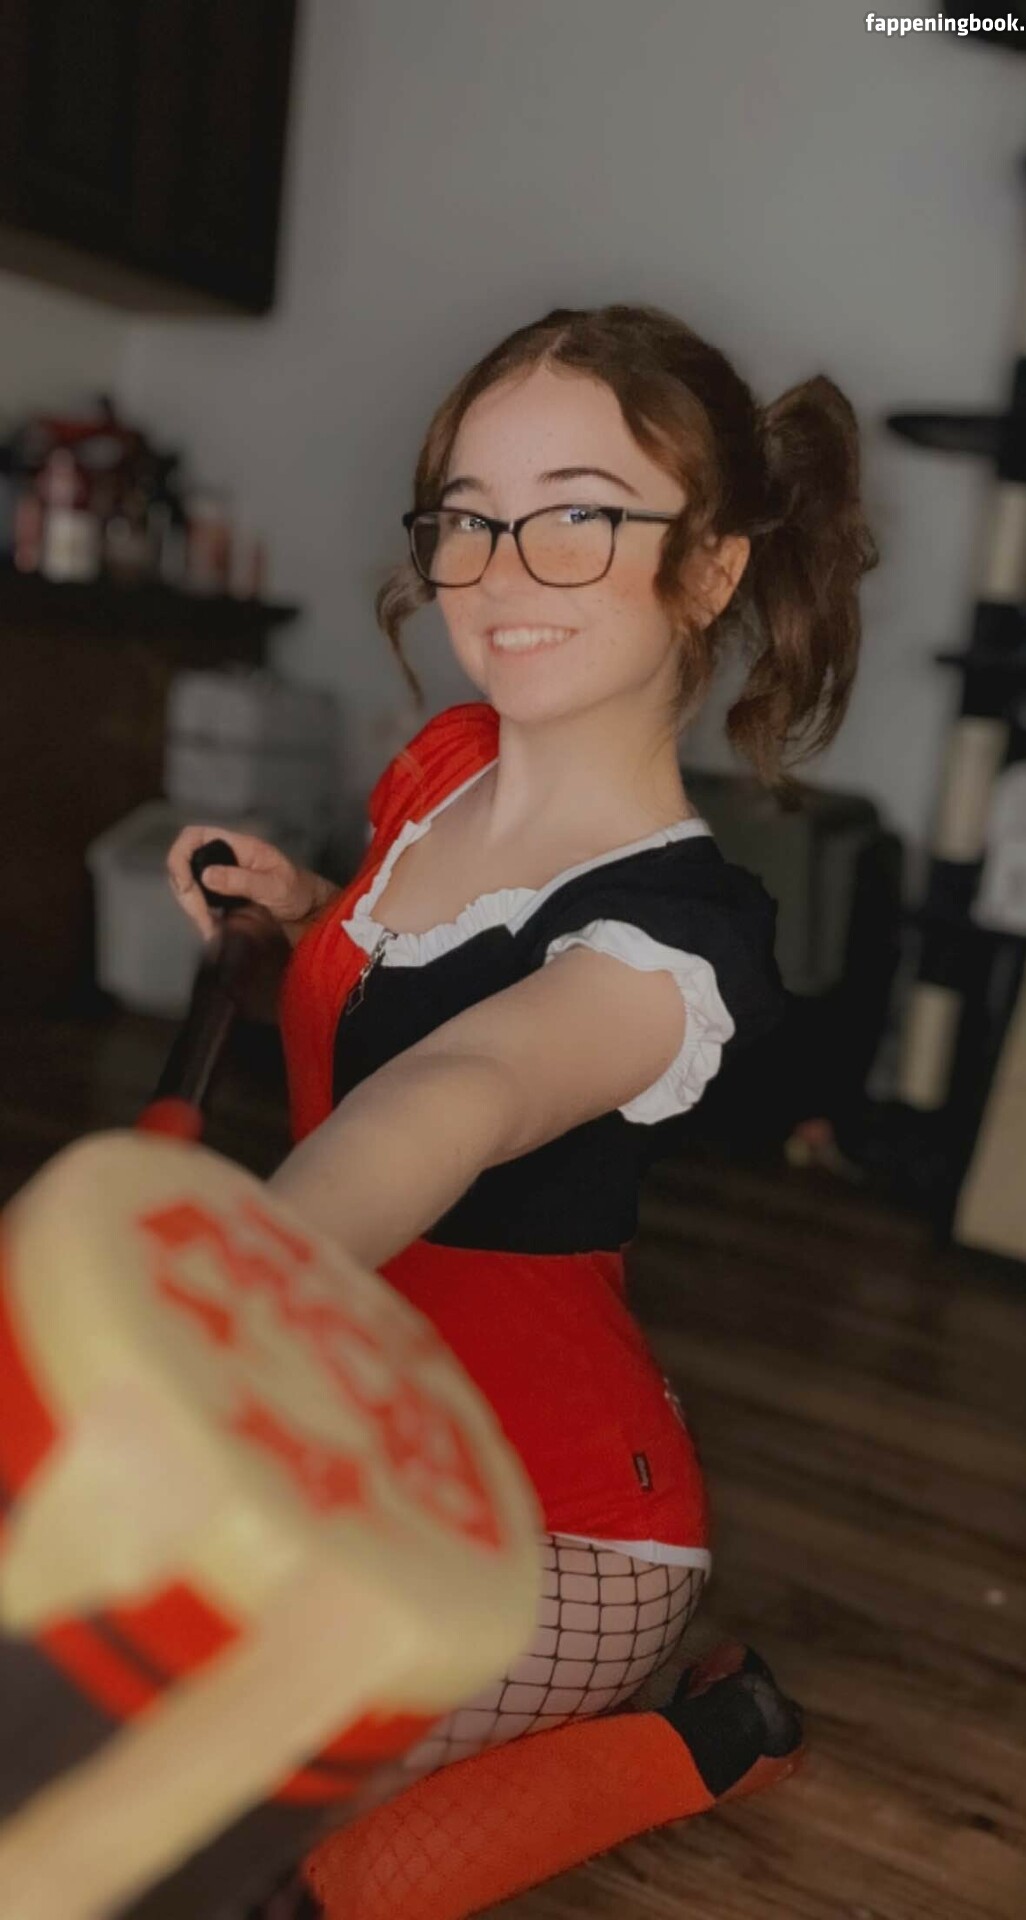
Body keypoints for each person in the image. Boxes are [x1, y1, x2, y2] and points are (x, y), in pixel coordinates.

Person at [167, 302, 877, 1919]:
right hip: (353, 1441)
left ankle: (700, 1735)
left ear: (710, 568)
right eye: (470, 517)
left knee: (222, 1855)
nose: (497, 571)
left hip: (556, 1534)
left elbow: (463, 1088)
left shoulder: (681, 941)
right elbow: (401, 999)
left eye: (576, 517)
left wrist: (221, 1289)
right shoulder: (440, 772)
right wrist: (304, 915)